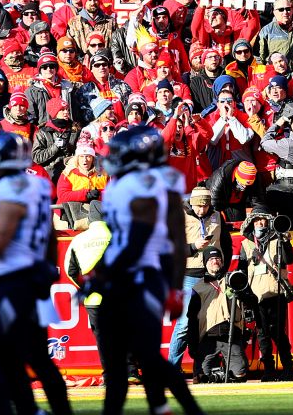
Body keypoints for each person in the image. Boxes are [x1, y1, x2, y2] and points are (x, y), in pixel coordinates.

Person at [86, 125, 205, 415]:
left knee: (129, 357)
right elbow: (163, 240)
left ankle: (171, 407)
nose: (114, 156)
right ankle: (166, 407)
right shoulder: (146, 183)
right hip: (140, 273)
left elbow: (138, 239)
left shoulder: (136, 185)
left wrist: (102, 275)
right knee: (138, 357)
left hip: (137, 275)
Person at [0, 130, 73, 415]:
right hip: (29, 275)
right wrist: (49, 266)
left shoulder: (7, 189)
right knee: (31, 357)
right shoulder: (33, 186)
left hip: (10, 281)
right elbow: (49, 233)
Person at [169, 185, 233, 371]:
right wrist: (193, 247)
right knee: (184, 324)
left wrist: (223, 269)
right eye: (198, 206)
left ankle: (207, 367)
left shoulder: (217, 216)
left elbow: (227, 246)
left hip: (213, 276)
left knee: (216, 319)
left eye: (205, 206)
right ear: (191, 203)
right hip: (188, 274)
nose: (201, 210)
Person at [238, 206, 293, 381]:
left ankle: (288, 367)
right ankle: (269, 369)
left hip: (275, 292)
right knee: (262, 334)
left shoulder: (278, 238)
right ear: (252, 223)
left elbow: (290, 260)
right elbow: (242, 270)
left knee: (278, 333)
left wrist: (285, 240)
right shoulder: (246, 244)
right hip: (256, 295)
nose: (260, 223)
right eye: (257, 220)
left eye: (263, 219)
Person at [185, 245, 249, 382]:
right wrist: (192, 345)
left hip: (231, 334)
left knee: (240, 374)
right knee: (201, 377)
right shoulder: (198, 288)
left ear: (222, 261)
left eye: (218, 258)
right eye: (211, 259)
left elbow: (252, 301)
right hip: (207, 337)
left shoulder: (233, 279)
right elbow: (191, 319)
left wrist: (242, 292)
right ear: (205, 263)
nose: (215, 261)